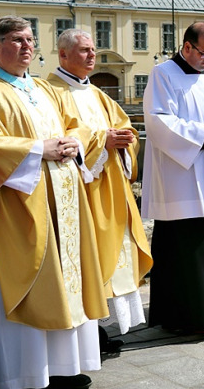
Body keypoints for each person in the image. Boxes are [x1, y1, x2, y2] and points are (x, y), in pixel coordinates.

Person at [0, 16, 107, 389]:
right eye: (19, 40)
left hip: (64, 203)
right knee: (28, 283)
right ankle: (25, 375)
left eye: (31, 40)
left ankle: (64, 369)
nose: (28, 46)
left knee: (66, 280)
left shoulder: (42, 88)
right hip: (16, 210)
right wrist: (39, 149)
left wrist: (73, 141)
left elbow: (77, 125)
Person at [47, 29, 152, 350]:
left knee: (113, 256)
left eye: (93, 50)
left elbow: (125, 126)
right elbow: (56, 136)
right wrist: (100, 142)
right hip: (82, 194)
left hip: (112, 191)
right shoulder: (50, 92)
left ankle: (100, 327)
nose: (92, 56)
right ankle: (87, 328)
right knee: (86, 258)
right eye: (83, 51)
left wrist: (123, 142)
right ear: (63, 55)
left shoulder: (98, 94)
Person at [141, 21, 204, 334]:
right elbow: (159, 122)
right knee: (189, 250)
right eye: (203, 53)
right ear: (186, 46)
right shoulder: (163, 74)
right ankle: (189, 318)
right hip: (182, 179)